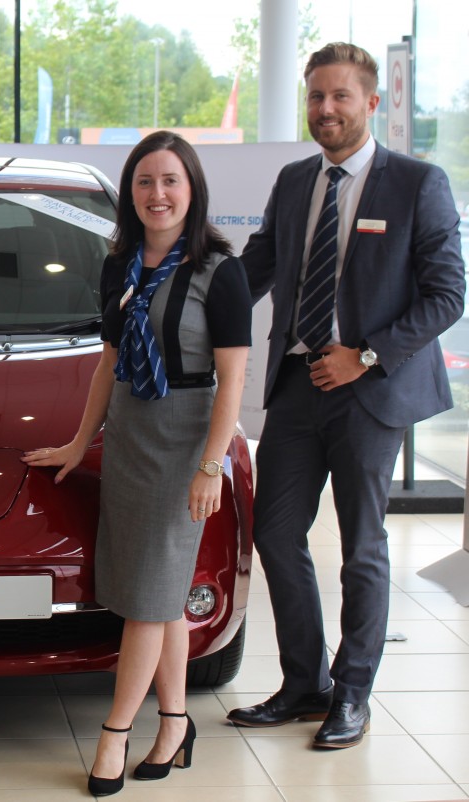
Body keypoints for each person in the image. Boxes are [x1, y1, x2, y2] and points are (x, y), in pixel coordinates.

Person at [227, 42, 465, 749]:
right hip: (298, 385)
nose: (324, 110)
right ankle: (305, 684)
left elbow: (447, 295)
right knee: (274, 533)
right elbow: (256, 270)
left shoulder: (418, 183)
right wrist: (184, 303)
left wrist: (364, 356)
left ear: (373, 102)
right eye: (314, 97)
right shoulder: (296, 180)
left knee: (362, 547)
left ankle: (352, 694)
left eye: (338, 96)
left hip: (370, 390)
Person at [23, 130, 251, 796]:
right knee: (156, 596)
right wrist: (77, 442)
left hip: (184, 442)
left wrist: (211, 466)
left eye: (170, 181)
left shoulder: (220, 271)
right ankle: (176, 722)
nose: (158, 194)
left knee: (148, 603)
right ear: (131, 192)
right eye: (145, 181)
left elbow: (233, 379)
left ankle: (116, 731)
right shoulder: (119, 265)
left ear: (192, 188)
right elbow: (109, 364)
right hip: (129, 438)